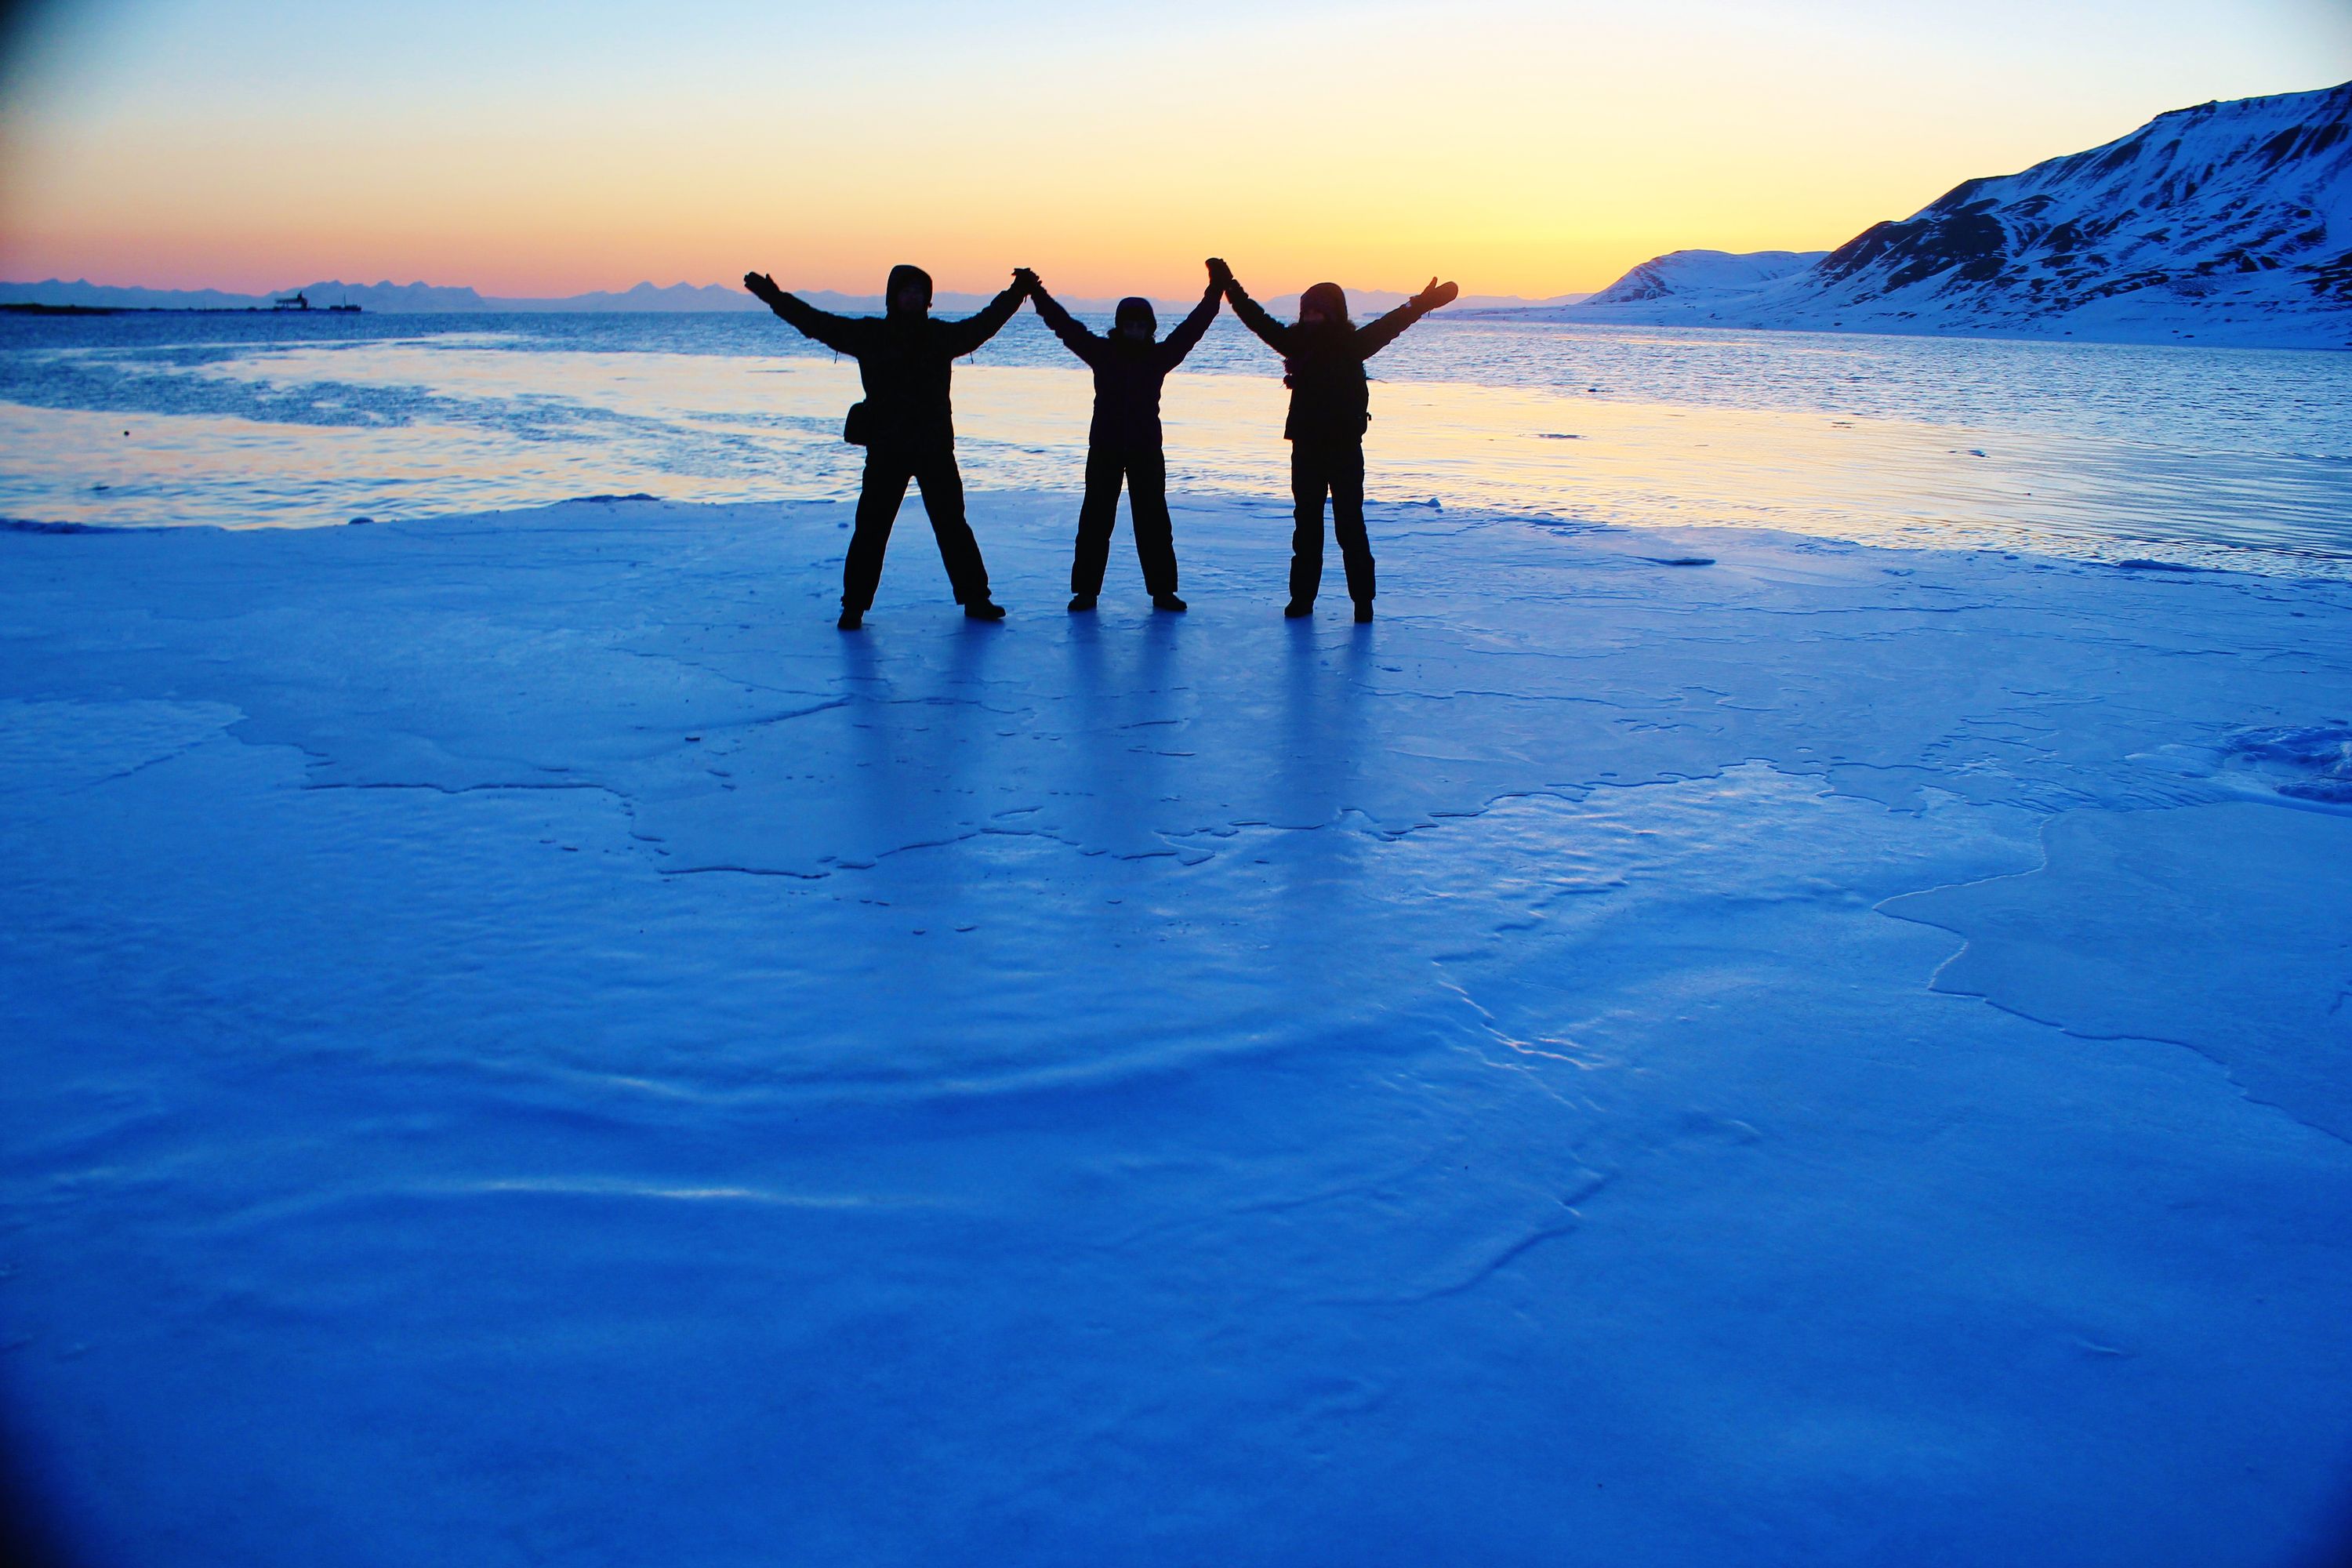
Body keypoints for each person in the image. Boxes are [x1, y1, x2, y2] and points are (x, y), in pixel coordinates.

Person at [742, 262, 1035, 629]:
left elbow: (984, 324)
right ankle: (853, 606)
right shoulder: (870, 335)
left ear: (928, 300)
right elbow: (815, 323)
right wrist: (774, 297)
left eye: (920, 292)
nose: (913, 297)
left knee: (952, 526)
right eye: (906, 290)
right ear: (893, 296)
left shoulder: (941, 337)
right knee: (872, 529)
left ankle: (977, 599)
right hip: (887, 449)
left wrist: (1016, 293)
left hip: (934, 449)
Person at [1221, 270, 1459, 621]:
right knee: (1307, 528)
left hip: (1346, 449)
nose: (1311, 318)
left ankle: (1363, 602)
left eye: (1318, 312)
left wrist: (1421, 303)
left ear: (1334, 313)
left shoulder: (1354, 346)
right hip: (1306, 449)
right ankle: (1302, 599)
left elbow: (1393, 323)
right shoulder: (1295, 344)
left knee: (1350, 526)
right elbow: (1257, 319)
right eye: (1307, 312)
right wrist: (1230, 285)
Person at [1027, 259, 1228, 612]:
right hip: (1104, 449)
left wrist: (1216, 289)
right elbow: (1064, 326)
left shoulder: (1159, 356)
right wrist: (1037, 292)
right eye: (1129, 323)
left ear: (1149, 327)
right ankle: (1086, 591)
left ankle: (1163, 591)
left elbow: (1193, 328)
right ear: (1120, 326)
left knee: (1153, 522)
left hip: (1146, 451)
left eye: (1141, 324)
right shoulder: (1102, 353)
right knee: (1095, 520)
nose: (1135, 328)